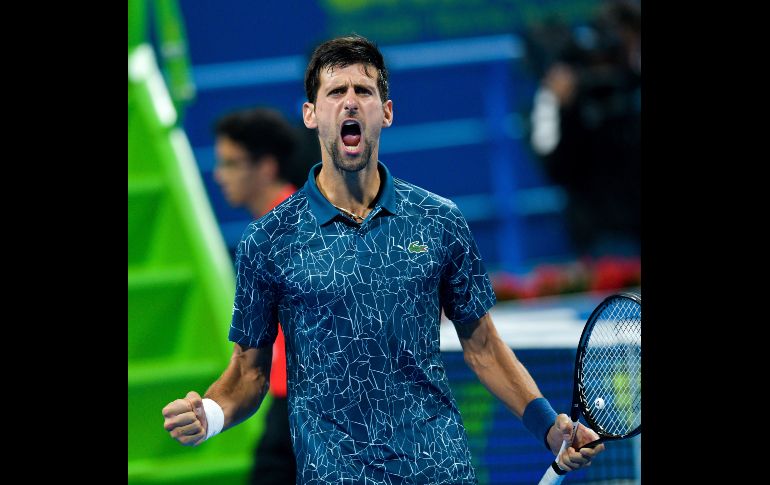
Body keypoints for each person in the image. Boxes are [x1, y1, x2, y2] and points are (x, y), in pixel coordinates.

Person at [163, 35, 604, 484]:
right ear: (311, 115)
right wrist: (211, 414)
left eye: (364, 91)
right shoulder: (269, 240)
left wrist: (550, 428)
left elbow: (484, 346)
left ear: (386, 112)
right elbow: (248, 373)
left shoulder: (439, 220)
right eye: (336, 92)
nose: (350, 103)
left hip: (439, 471)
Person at [212, 107, 299, 484]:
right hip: (286, 403)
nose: (219, 175)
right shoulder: (266, 232)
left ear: (265, 166)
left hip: (306, 407)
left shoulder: (296, 228)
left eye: (231, 164)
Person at [529, 0, 641, 257]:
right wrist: (567, 108)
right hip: (602, 228)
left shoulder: (632, 83)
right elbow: (554, 164)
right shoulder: (564, 95)